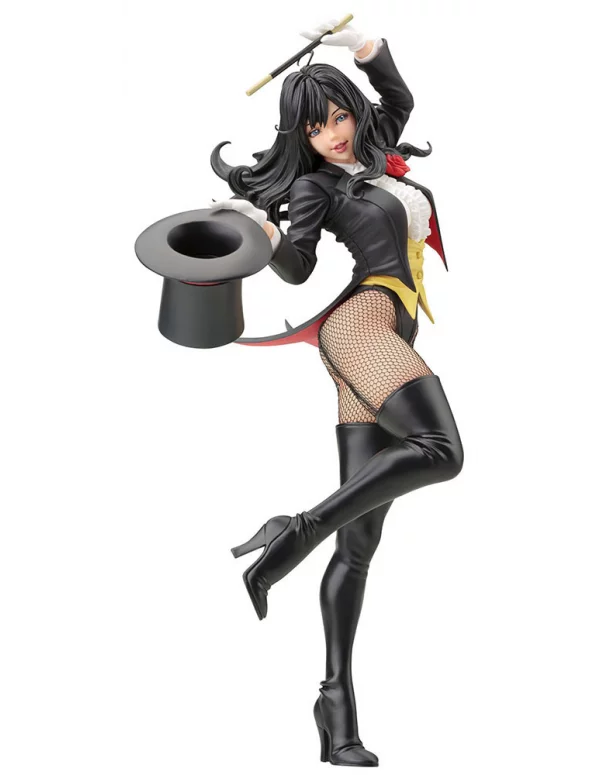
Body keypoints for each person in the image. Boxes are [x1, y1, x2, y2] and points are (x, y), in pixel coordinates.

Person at [210, 19, 464, 768]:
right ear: (302, 136)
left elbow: (398, 96)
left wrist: (363, 47)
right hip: (359, 325)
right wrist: (262, 231)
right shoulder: (314, 186)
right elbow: (297, 267)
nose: (334, 134)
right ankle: (293, 532)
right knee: (443, 451)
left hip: (386, 332)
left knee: (359, 544)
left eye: (339, 116)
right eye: (317, 127)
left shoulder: (377, 141)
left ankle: (335, 709)